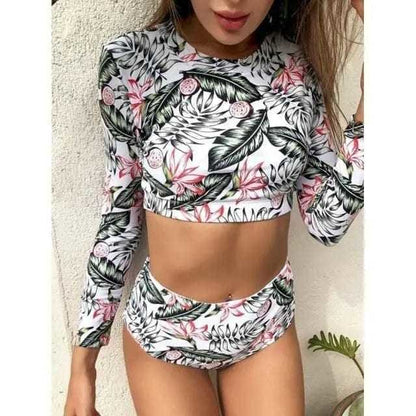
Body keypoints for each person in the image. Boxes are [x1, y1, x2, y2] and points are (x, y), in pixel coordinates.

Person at [64, 0, 364, 414]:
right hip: (166, 329)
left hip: (265, 323)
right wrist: (83, 367)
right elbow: (120, 216)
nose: (233, 1)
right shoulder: (132, 60)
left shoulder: (294, 65)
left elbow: (327, 223)